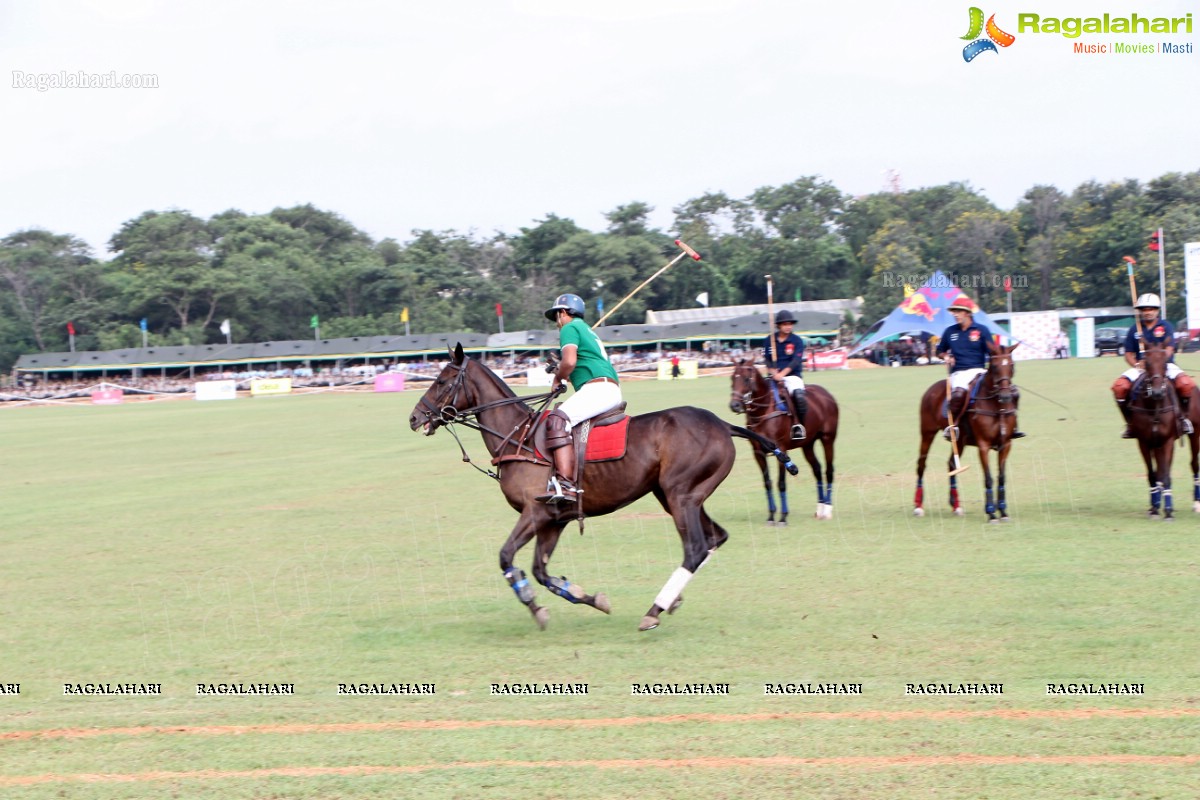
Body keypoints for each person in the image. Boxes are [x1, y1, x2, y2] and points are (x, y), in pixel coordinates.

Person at [536, 292, 623, 505]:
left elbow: (570, 362)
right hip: (606, 388)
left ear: (563, 313)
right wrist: (561, 368)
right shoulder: (585, 330)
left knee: (557, 419)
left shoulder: (569, 328)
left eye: (557, 317)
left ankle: (566, 485)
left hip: (598, 388)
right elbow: (575, 363)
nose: (557, 323)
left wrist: (558, 377)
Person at [936, 293, 1025, 442]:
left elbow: (992, 351)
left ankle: (1012, 425)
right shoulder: (950, 332)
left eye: (958, 311)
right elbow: (939, 351)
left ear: (968, 313)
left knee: (1012, 392)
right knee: (958, 395)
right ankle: (954, 426)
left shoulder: (981, 330)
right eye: (954, 312)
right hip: (959, 372)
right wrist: (945, 356)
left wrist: (1001, 359)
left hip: (979, 370)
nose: (955, 315)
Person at [1111, 293, 1195, 438]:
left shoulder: (1165, 326)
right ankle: (1130, 424)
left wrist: (1157, 362)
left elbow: (1169, 349)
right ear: (1140, 311)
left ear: (1157, 310)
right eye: (1144, 309)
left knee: (1186, 384)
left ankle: (1185, 419)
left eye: (1151, 309)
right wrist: (1137, 364)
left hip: (1165, 366)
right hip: (1141, 367)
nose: (1148, 312)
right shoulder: (1134, 329)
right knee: (1119, 387)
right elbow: (1128, 354)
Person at [764, 309, 807, 439]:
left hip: (792, 376)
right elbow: (767, 359)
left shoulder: (797, 341)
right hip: (773, 375)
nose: (788, 327)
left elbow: (796, 361)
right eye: (785, 324)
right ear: (778, 325)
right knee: (756, 392)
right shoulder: (769, 341)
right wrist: (772, 372)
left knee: (799, 396)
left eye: (790, 324)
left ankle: (799, 425)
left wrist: (781, 375)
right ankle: (754, 423)